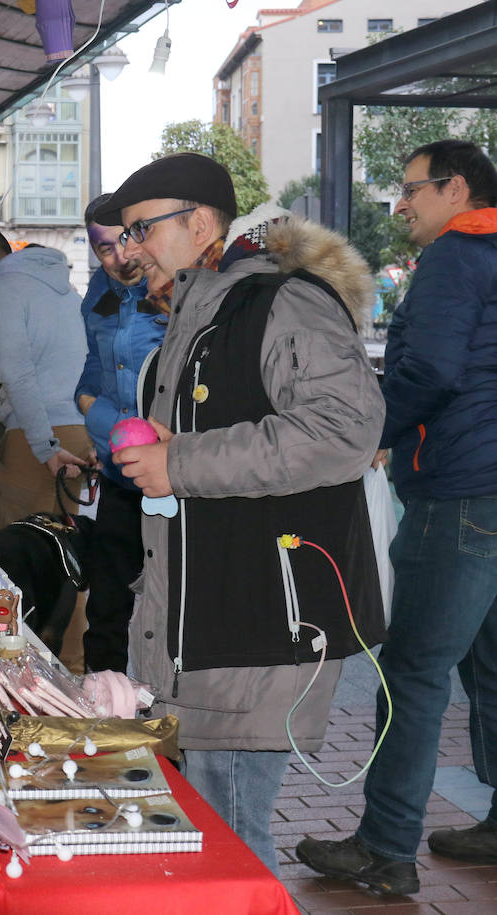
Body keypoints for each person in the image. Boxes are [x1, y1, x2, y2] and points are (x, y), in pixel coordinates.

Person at [103, 152, 387, 873]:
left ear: (200, 223)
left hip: (260, 622)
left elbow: (344, 430)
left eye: (142, 229)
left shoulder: (280, 302)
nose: (130, 249)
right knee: (220, 841)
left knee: (232, 851)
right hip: (215, 619)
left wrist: (181, 461)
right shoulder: (204, 311)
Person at [296, 140, 497, 895]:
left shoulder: (456, 256)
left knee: (410, 672)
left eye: (411, 188)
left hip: (461, 492)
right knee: (491, 670)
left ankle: (385, 846)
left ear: (455, 189)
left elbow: (431, 371)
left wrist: (369, 432)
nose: (402, 203)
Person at [74, 194, 159, 674]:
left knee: (165, 608)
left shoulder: (170, 287)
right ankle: (103, 715)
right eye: (103, 250)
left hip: (172, 474)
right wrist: (94, 411)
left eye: (123, 242)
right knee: (107, 607)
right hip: (118, 477)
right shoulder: (98, 292)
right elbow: (89, 374)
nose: (118, 259)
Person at [0, 227, 89, 528]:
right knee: (59, 546)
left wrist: (46, 448)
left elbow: (17, 375)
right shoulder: (64, 289)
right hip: (77, 430)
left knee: (19, 547)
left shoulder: (3, 288)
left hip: (39, 433)